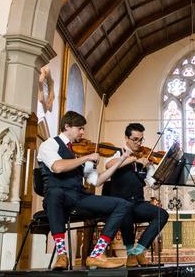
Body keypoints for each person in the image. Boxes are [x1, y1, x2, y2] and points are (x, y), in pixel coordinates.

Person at [37, 111, 133, 270]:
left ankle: (96, 254)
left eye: (83, 129)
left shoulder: (80, 151)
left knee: (122, 205)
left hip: (78, 198)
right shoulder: (49, 144)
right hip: (57, 198)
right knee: (55, 194)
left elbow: (96, 181)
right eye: (79, 128)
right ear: (67, 126)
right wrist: (86, 158)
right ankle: (62, 255)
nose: (82, 132)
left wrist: (121, 160)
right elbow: (57, 167)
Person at [104, 123, 169, 268]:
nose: (139, 143)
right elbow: (109, 165)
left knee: (162, 215)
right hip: (119, 202)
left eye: (141, 140)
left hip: (138, 203)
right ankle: (130, 254)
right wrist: (133, 159)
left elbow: (154, 184)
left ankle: (139, 250)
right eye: (135, 139)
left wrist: (162, 175)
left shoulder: (146, 157)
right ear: (126, 138)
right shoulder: (117, 152)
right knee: (124, 209)